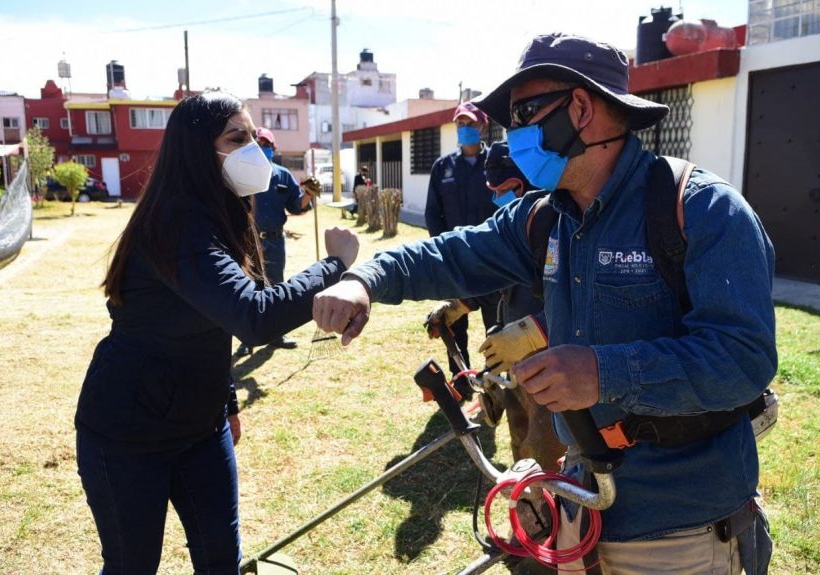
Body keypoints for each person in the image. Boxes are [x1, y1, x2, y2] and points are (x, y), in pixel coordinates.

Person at [312, 33, 776, 575]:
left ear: (581, 108)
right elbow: (450, 255)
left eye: (526, 114)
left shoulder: (700, 211)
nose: (514, 136)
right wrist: (364, 278)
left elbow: (744, 361)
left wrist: (606, 372)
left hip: (681, 532)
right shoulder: (543, 217)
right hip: (581, 508)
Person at [74, 91, 359, 575]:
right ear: (195, 150)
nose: (254, 149)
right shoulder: (175, 225)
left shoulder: (220, 214)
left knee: (221, 561)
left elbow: (214, 324)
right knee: (131, 565)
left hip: (202, 430)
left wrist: (225, 404)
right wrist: (334, 265)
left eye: (254, 136)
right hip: (127, 436)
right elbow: (254, 317)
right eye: (237, 137)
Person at [427, 141, 565, 471]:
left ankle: (551, 518)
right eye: (492, 190)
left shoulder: (562, 224)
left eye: (505, 189)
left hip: (553, 365)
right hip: (516, 358)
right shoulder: (516, 225)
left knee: (547, 458)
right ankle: (528, 519)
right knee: (520, 445)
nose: (496, 198)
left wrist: (534, 332)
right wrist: (458, 305)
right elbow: (497, 278)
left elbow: (586, 302)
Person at [424, 101, 500, 395]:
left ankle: (495, 386)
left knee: (496, 327)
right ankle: (461, 382)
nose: (464, 129)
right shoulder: (443, 168)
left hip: (493, 261)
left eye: (470, 124)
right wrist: (444, 251)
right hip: (456, 261)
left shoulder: (496, 163)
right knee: (455, 323)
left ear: (482, 127)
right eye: (460, 124)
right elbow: (433, 214)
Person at [236, 127, 318, 354]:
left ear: (273, 148)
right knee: (249, 288)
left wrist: (309, 193)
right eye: (258, 144)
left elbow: (297, 206)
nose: (262, 148)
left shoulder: (283, 176)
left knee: (277, 286)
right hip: (247, 241)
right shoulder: (240, 175)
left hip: (274, 241)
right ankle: (247, 338)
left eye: (266, 144)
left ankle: (276, 333)